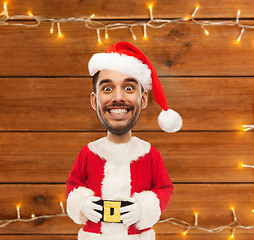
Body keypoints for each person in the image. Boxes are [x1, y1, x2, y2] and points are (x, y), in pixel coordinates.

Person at [66, 42, 182, 240]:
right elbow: (73, 186)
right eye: (108, 88)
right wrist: (82, 203)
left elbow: (164, 189)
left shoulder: (150, 154)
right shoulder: (88, 153)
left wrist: (144, 208)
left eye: (128, 87)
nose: (118, 97)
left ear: (143, 99)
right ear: (94, 101)